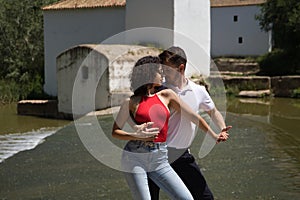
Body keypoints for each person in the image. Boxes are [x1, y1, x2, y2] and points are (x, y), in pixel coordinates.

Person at [112, 56, 229, 200]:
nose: (163, 75)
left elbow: (194, 117)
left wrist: (214, 135)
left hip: (160, 156)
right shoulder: (129, 102)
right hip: (135, 157)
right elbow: (115, 132)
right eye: (159, 72)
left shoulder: (167, 95)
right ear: (149, 74)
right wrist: (136, 134)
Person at [148, 46, 232, 200]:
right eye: (163, 69)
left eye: (168, 69)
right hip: (157, 152)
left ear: (181, 68)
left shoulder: (198, 90)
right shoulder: (158, 89)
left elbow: (213, 111)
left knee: (205, 197)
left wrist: (221, 128)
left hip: (181, 154)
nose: (164, 73)